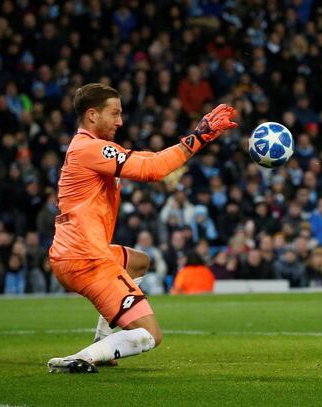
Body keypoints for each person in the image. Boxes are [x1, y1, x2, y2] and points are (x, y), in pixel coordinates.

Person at [47, 83, 237, 373]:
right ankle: (82, 358)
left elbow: (148, 159)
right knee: (150, 336)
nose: (120, 121)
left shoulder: (90, 148)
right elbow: (154, 170)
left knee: (139, 262)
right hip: (87, 259)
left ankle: (104, 340)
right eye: (115, 113)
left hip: (75, 253)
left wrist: (195, 137)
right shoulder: (89, 149)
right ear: (92, 115)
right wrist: (201, 137)